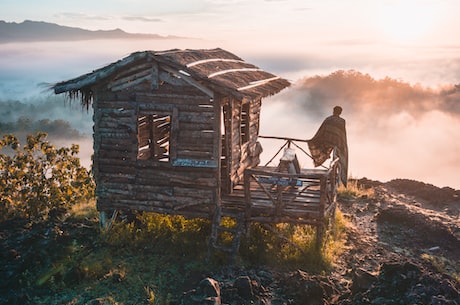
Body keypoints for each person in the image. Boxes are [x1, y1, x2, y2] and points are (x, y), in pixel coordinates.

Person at [307, 106, 348, 186]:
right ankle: (335, 179)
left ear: (333, 111)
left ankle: (333, 175)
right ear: (340, 112)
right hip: (337, 144)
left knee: (334, 161)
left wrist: (314, 139)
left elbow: (321, 130)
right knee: (336, 161)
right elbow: (342, 134)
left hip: (327, 142)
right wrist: (342, 144)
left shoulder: (328, 119)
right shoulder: (342, 121)